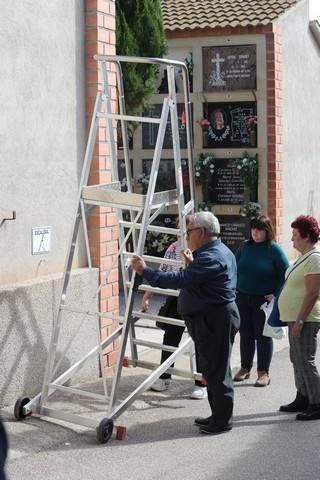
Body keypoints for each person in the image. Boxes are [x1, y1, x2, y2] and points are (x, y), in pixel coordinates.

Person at [131, 212, 240, 435]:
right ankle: (217, 415)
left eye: (188, 231)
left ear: (201, 232)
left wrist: (145, 271)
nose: (186, 236)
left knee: (217, 370)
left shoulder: (211, 256)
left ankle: (222, 420)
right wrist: (191, 264)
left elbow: (178, 280)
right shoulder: (212, 252)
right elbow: (198, 280)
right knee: (211, 368)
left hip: (215, 319)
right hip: (210, 318)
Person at [141, 238, 207, 399]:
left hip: (197, 298)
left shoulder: (204, 247)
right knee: (170, 337)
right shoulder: (173, 248)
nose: (183, 235)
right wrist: (147, 295)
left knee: (200, 340)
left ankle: (202, 383)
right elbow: (162, 272)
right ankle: (165, 377)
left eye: (188, 230)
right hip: (176, 296)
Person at [234, 215, 289, 386]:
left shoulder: (274, 249)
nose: (255, 233)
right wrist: (234, 285)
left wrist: (276, 293)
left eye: (259, 230)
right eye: (253, 229)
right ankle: (245, 367)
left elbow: (285, 274)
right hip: (242, 297)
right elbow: (234, 266)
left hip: (263, 300)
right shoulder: (244, 246)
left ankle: (263, 372)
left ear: (267, 231)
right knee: (245, 333)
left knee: (263, 335)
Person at [278, 215, 320, 420]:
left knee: (305, 360)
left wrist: (301, 320)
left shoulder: (314, 258)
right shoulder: (303, 257)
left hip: (306, 318)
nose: (292, 239)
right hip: (294, 317)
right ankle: (303, 396)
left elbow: (313, 292)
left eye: (295, 235)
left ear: (306, 236)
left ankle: (317, 402)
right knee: (296, 359)